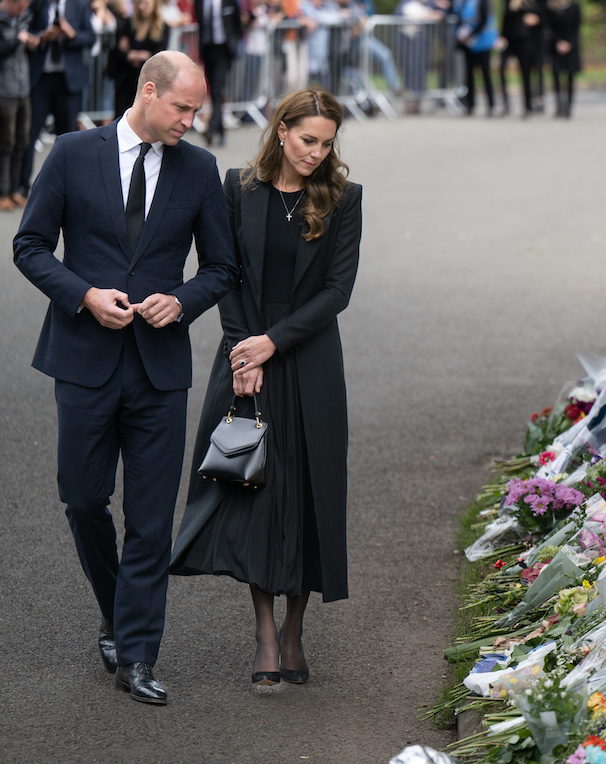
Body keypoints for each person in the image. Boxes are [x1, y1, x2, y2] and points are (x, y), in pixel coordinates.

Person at [12, 50, 238, 705]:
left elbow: (222, 269)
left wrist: (184, 301)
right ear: (147, 91)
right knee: (83, 500)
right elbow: (29, 246)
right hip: (82, 362)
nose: (191, 122)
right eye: (182, 108)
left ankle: (136, 655)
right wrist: (83, 295)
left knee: (149, 522)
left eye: (197, 110)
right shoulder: (73, 153)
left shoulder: (199, 170)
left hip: (159, 371)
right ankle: (117, 610)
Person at [170, 87, 362, 688]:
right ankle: (262, 632)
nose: (316, 152)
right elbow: (224, 273)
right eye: (308, 139)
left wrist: (272, 343)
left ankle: (295, 630)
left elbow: (337, 291)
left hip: (308, 359)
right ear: (281, 131)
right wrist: (242, 350)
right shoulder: (237, 187)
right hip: (245, 353)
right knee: (253, 489)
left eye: (327, 143)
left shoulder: (344, 198)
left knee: (307, 491)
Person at [19, 0, 95, 199]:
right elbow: (25, 31)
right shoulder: (37, 5)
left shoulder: (80, 5)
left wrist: (71, 34)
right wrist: (43, 37)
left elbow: (91, 37)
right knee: (29, 134)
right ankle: (22, 187)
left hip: (68, 82)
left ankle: (68, 189)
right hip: (41, 80)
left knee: (68, 139)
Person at [0, 0, 33, 211]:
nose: (24, 10)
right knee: (5, 144)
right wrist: (16, 41)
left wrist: (31, 41)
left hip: (23, 89)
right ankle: (2, 192)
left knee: (21, 142)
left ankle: (14, 190)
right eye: (21, 6)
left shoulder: (21, 19)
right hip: (5, 91)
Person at [109, 0, 166, 118]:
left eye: (146, 3)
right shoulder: (128, 24)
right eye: (139, 3)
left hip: (147, 83)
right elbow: (117, 52)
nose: (142, 7)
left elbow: (157, 56)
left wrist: (130, 53)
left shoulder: (163, 28)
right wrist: (139, 55)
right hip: (125, 81)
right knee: (121, 118)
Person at [196, 0, 242, 147]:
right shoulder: (200, 2)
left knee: (217, 89)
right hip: (207, 49)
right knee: (215, 92)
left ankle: (211, 129)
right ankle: (220, 131)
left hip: (223, 50)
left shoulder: (229, 2)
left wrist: (233, 45)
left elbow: (237, 24)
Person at [452, 0, 495, 116]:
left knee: (485, 74)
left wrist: (470, 34)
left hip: (483, 42)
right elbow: (459, 17)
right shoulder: (463, 2)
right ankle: (470, 105)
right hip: (468, 44)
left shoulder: (482, 2)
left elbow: (484, 20)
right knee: (469, 75)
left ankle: (491, 105)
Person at [497, 0, 535, 118]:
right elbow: (505, 19)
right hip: (509, 40)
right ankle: (506, 103)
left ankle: (528, 105)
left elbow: (537, 16)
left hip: (522, 40)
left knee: (525, 72)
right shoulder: (507, 2)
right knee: (502, 67)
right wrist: (501, 36)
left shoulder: (527, 3)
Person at [545, 0, 577, 118]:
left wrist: (569, 43)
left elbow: (575, 27)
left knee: (570, 77)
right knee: (556, 74)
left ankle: (568, 106)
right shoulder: (552, 7)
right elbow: (550, 28)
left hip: (571, 47)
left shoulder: (574, 6)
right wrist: (558, 43)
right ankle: (559, 105)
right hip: (555, 47)